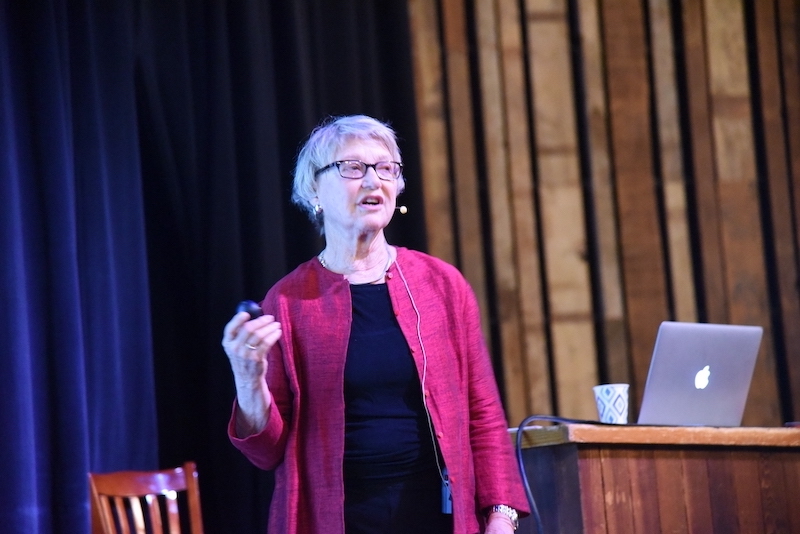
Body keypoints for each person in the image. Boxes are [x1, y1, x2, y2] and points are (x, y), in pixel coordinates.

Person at [221, 115, 529, 534]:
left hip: (437, 518)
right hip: (339, 521)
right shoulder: (290, 301)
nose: (373, 181)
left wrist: (501, 515)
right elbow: (266, 452)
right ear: (315, 188)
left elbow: (484, 414)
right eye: (352, 168)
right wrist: (248, 380)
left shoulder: (442, 285)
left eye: (386, 169)